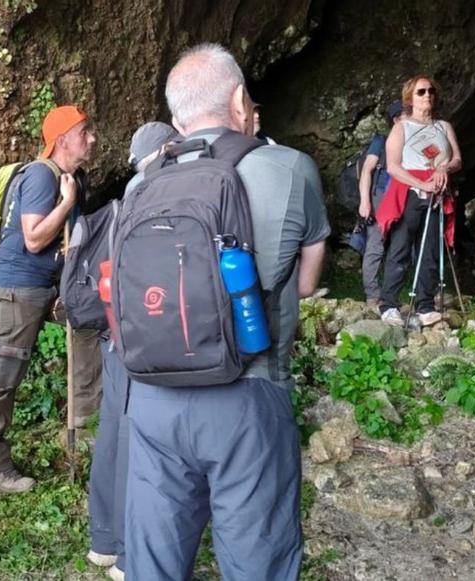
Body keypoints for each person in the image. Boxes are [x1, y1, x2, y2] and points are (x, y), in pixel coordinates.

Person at [123, 44, 329, 580]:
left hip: (150, 396)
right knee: (256, 560)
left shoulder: (140, 185)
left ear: (174, 120)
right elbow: (306, 283)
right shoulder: (290, 168)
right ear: (240, 100)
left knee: (155, 563)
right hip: (247, 395)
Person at [0, 105, 102, 493]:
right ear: (62, 140)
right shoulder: (44, 178)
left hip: (46, 287)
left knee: (91, 326)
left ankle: (85, 428)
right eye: (85, 132)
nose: (92, 138)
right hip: (20, 287)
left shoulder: (67, 178)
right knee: (5, 374)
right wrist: (65, 203)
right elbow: (33, 238)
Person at [86, 121, 182, 581]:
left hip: (116, 328)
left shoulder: (128, 194)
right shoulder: (163, 191)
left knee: (113, 426)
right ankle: (128, 554)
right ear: (167, 149)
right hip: (149, 332)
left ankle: (104, 540)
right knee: (139, 436)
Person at [376, 76, 462, 327]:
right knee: (401, 246)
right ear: (410, 98)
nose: (427, 95)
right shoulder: (401, 127)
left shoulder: (444, 127)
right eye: (421, 91)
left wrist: (445, 168)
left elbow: (457, 158)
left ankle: (425, 305)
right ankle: (389, 303)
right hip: (410, 192)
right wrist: (421, 183)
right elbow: (393, 166)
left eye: (431, 91)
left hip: (437, 192)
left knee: (431, 249)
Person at [359, 100, 404, 307]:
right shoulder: (381, 141)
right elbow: (367, 169)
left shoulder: (413, 141)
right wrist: (365, 201)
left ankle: (392, 293)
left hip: (404, 197)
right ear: (396, 119)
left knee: (400, 245)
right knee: (375, 246)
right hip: (381, 197)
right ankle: (372, 295)